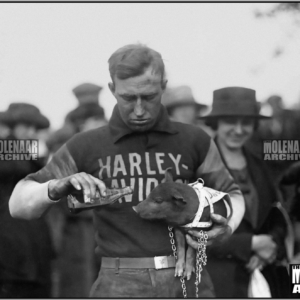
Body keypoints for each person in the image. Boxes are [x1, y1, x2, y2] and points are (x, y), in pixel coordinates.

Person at [9, 44, 245, 298]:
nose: (140, 110)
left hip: (187, 281)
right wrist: (53, 187)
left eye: (150, 97)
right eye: (128, 98)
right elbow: (18, 205)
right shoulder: (85, 145)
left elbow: (232, 194)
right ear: (112, 89)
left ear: (163, 86)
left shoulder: (194, 140)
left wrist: (227, 227)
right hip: (118, 284)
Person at [200, 87, 290, 298]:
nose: (239, 130)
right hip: (217, 282)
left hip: (263, 279)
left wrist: (269, 245)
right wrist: (249, 244)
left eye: (246, 123)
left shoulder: (260, 164)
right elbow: (192, 229)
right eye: (231, 121)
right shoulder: (199, 167)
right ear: (217, 124)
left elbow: (277, 215)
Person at [0, 103, 54, 298]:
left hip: (33, 236)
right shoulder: (10, 149)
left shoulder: (29, 150)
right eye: (26, 126)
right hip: (9, 236)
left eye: (34, 128)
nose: (31, 132)